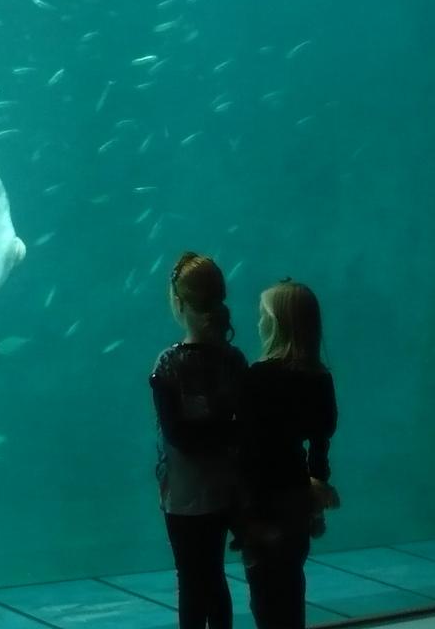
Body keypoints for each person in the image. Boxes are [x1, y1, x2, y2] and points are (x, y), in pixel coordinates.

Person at [151, 252, 248, 629]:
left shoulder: (168, 364)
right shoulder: (234, 359)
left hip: (185, 495)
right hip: (227, 490)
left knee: (191, 582)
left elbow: (176, 434)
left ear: (178, 303)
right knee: (215, 577)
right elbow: (244, 426)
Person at [235, 279, 339, 629]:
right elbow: (321, 440)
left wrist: (248, 515)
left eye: (263, 315)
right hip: (297, 496)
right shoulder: (320, 377)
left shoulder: (259, 377)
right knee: (292, 582)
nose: (259, 321)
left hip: (264, 502)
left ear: (275, 322)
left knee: (264, 592)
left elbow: (249, 451)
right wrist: (317, 489)